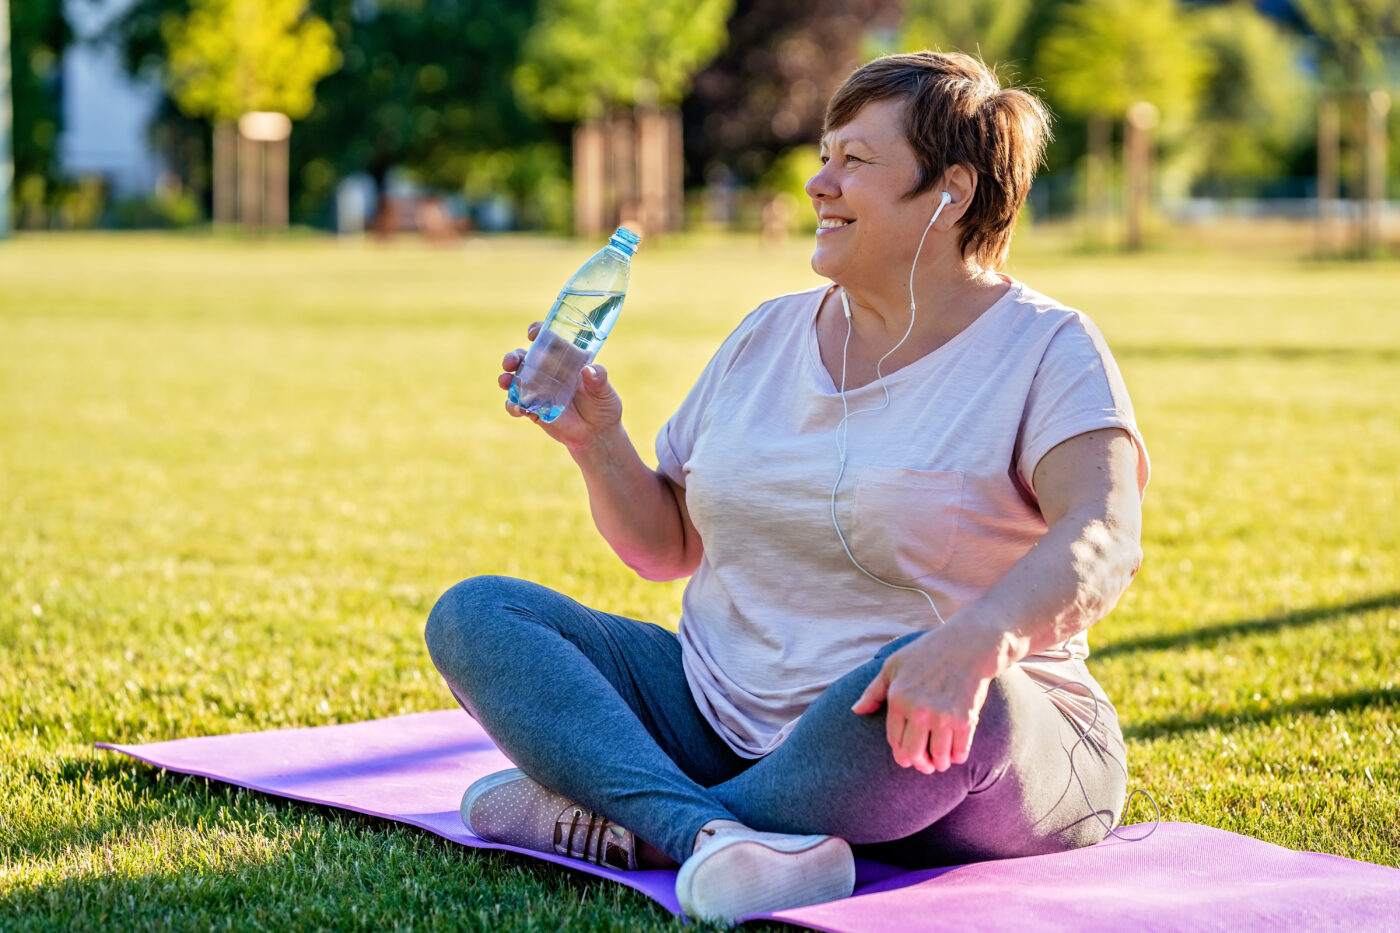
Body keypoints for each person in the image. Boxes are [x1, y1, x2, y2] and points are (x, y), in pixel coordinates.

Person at [425, 51, 1148, 924]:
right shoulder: (765, 335)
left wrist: (976, 641)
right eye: (824, 154)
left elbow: (1103, 537)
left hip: (933, 733)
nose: (818, 183)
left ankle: (637, 817)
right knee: (481, 615)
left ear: (949, 191)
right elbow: (667, 548)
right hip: (715, 713)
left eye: (855, 161)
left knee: (947, 692)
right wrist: (597, 442)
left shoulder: (1046, 348)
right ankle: (707, 829)